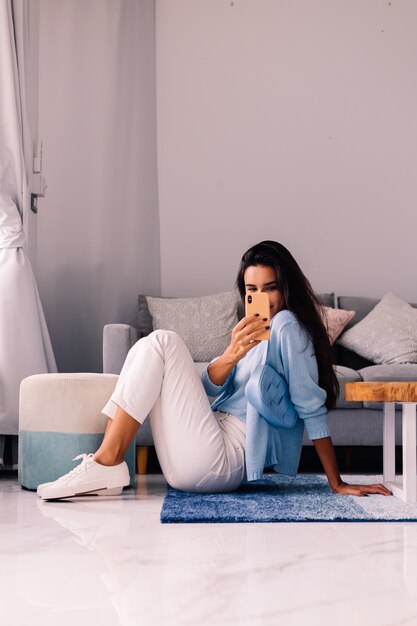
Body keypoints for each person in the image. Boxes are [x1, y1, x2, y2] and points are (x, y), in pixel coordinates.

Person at [37, 240, 392, 500]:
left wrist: (337, 482)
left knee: (162, 342)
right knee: (148, 347)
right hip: (194, 455)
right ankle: (106, 463)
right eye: (252, 289)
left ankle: (106, 463)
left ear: (286, 289)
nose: (262, 298)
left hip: (221, 460)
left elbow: (309, 406)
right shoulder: (250, 334)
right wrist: (230, 355)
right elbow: (210, 387)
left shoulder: (287, 327)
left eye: (270, 288)